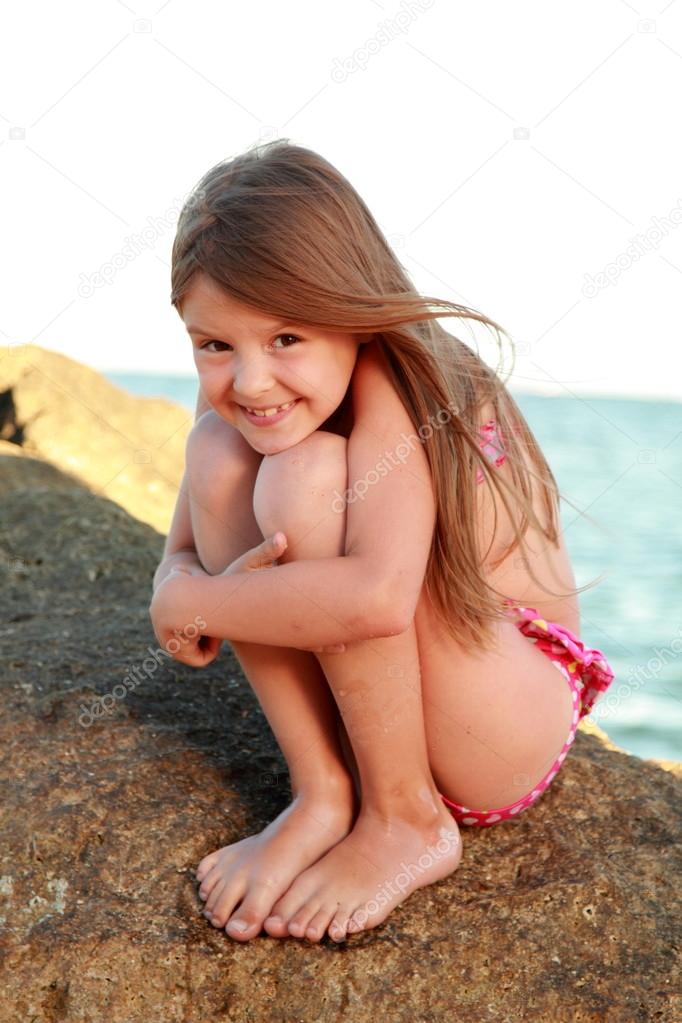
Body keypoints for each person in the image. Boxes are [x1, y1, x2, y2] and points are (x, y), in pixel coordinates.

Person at [149, 139, 615, 946]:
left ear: (349, 308)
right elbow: (183, 547)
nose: (250, 379)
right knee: (220, 454)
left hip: (504, 703)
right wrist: (176, 583)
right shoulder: (241, 378)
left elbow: (376, 596)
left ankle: (405, 818)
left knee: (300, 479)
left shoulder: (404, 375)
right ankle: (324, 788)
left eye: (286, 338)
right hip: (388, 694)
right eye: (214, 343)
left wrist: (196, 599)